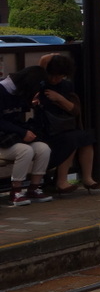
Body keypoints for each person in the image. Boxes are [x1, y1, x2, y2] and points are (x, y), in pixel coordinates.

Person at [33, 53, 100, 194]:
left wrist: (59, 98)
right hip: (47, 129)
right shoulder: (41, 83)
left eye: (59, 76)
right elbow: (43, 61)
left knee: (86, 138)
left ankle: (87, 178)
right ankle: (61, 181)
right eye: (52, 75)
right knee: (71, 139)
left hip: (64, 127)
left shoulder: (67, 86)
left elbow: (74, 110)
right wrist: (56, 55)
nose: (54, 79)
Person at [0, 66, 54, 206]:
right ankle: (16, 191)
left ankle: (33, 188)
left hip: (12, 138)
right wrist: (22, 132)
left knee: (43, 149)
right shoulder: (2, 90)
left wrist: (35, 105)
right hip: (3, 140)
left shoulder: (19, 92)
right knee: (25, 150)